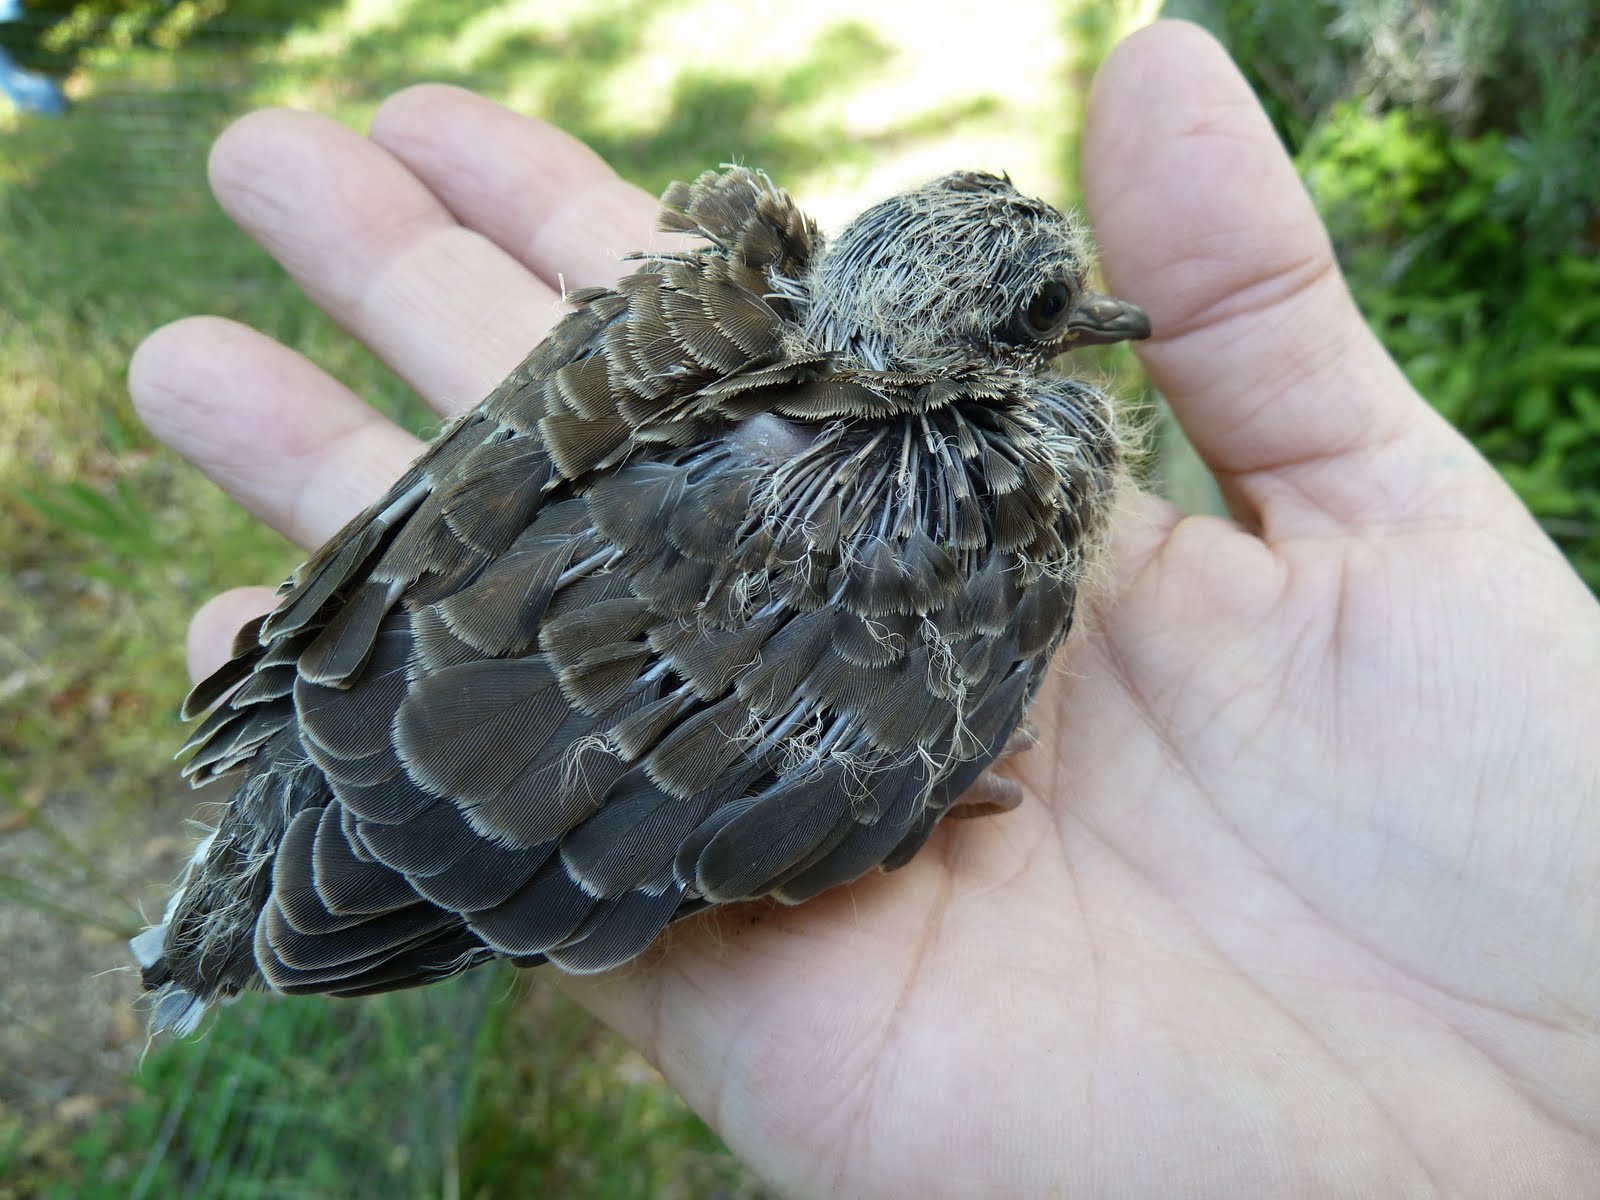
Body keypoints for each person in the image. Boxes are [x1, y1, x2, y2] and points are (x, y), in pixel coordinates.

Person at [127, 20, 1600, 1197]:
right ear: (976, 347)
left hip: (384, 699)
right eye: (1048, 323)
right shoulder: (990, 515)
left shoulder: (685, 313)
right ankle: (193, 960)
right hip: (419, 792)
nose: (1088, 336)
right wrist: (874, 782)